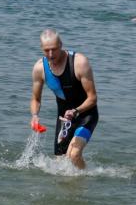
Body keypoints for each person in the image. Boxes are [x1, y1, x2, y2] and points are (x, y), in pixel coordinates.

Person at [30, 29, 98, 169]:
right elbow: (36, 99)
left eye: (54, 49)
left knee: (74, 155)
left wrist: (75, 111)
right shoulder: (39, 68)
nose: (51, 54)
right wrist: (35, 116)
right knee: (60, 163)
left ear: (61, 45)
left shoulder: (79, 63)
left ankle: (85, 178)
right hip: (64, 118)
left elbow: (92, 98)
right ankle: (80, 179)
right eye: (46, 50)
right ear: (41, 48)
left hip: (86, 114)